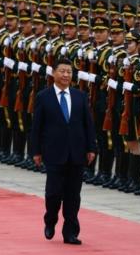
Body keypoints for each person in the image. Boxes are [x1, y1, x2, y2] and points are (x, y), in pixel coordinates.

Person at [31, 58, 96, 245]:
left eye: (69, 71)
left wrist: (92, 148)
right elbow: (37, 127)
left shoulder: (80, 96)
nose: (66, 75)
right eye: (62, 71)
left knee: (73, 196)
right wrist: (36, 151)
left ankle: (71, 233)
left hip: (76, 153)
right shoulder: (43, 96)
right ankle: (50, 221)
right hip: (53, 152)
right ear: (54, 73)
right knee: (53, 194)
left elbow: (88, 124)